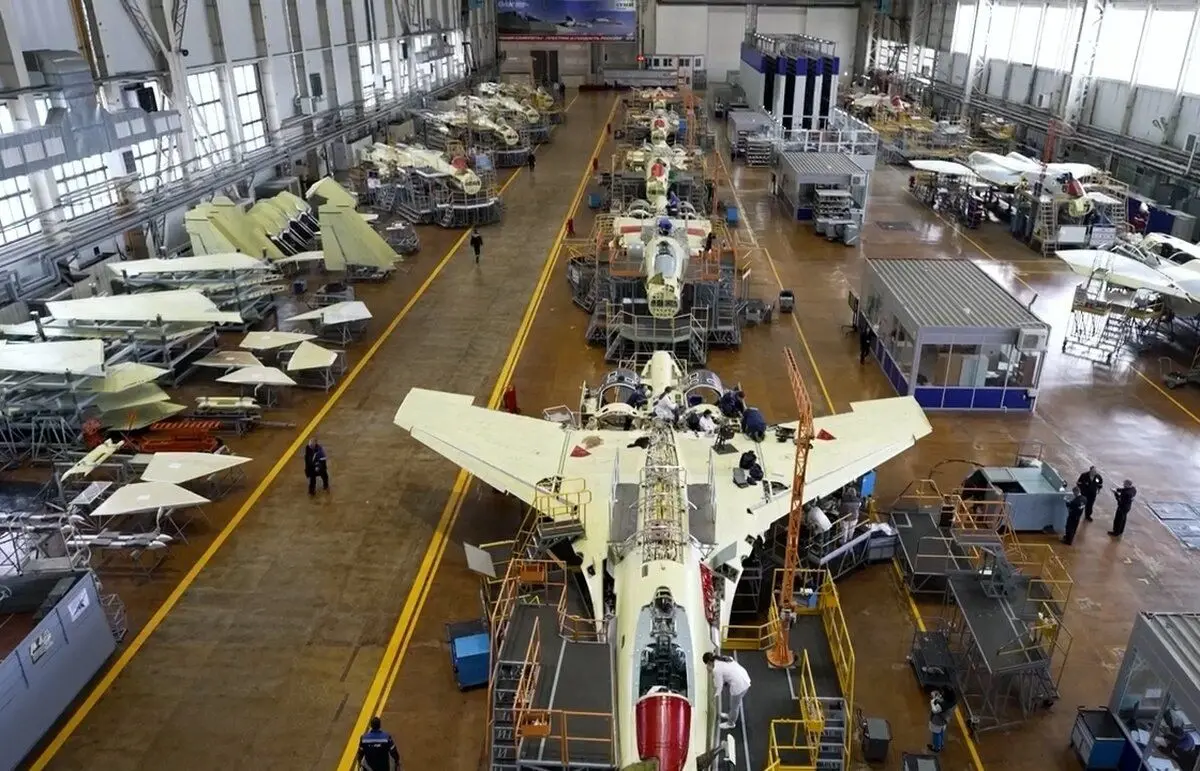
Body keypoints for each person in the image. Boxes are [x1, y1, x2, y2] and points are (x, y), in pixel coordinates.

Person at [703, 652, 751, 730]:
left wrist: (714, 696)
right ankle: (730, 715)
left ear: (709, 662)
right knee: (734, 704)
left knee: (734, 707)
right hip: (745, 678)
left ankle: (731, 723)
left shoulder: (716, 669)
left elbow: (719, 686)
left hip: (739, 686)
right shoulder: (724, 658)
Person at [928, 688, 957, 753]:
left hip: (937, 721)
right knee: (941, 731)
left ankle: (936, 748)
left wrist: (932, 702)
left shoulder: (943, 705)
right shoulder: (953, 701)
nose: (942, 694)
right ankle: (941, 743)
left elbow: (934, 710)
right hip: (945, 719)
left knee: (936, 734)